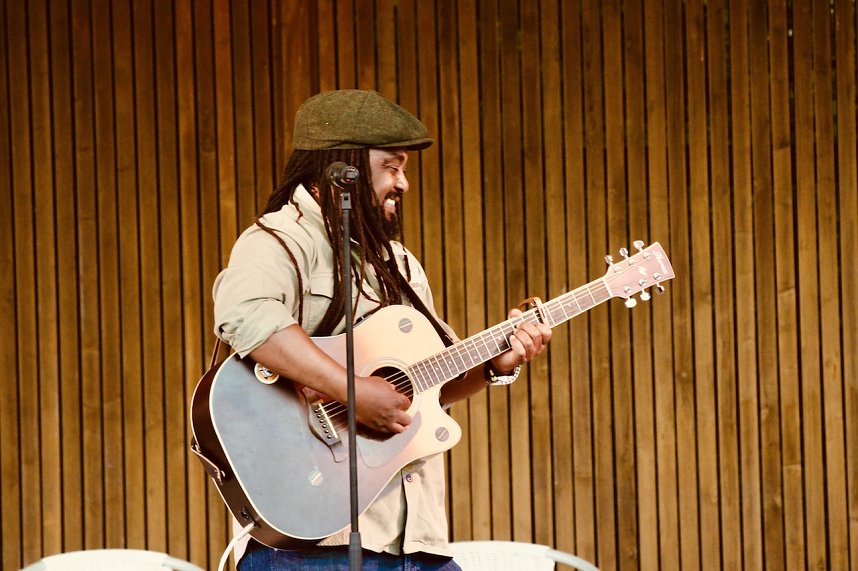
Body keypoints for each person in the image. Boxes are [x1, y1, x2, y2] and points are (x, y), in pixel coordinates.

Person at [212, 89, 552, 570]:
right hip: (314, 543)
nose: (403, 184)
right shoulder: (277, 241)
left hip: (414, 541)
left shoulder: (400, 265)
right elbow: (247, 317)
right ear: (341, 169)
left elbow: (427, 386)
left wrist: (498, 364)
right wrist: (352, 391)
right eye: (392, 167)